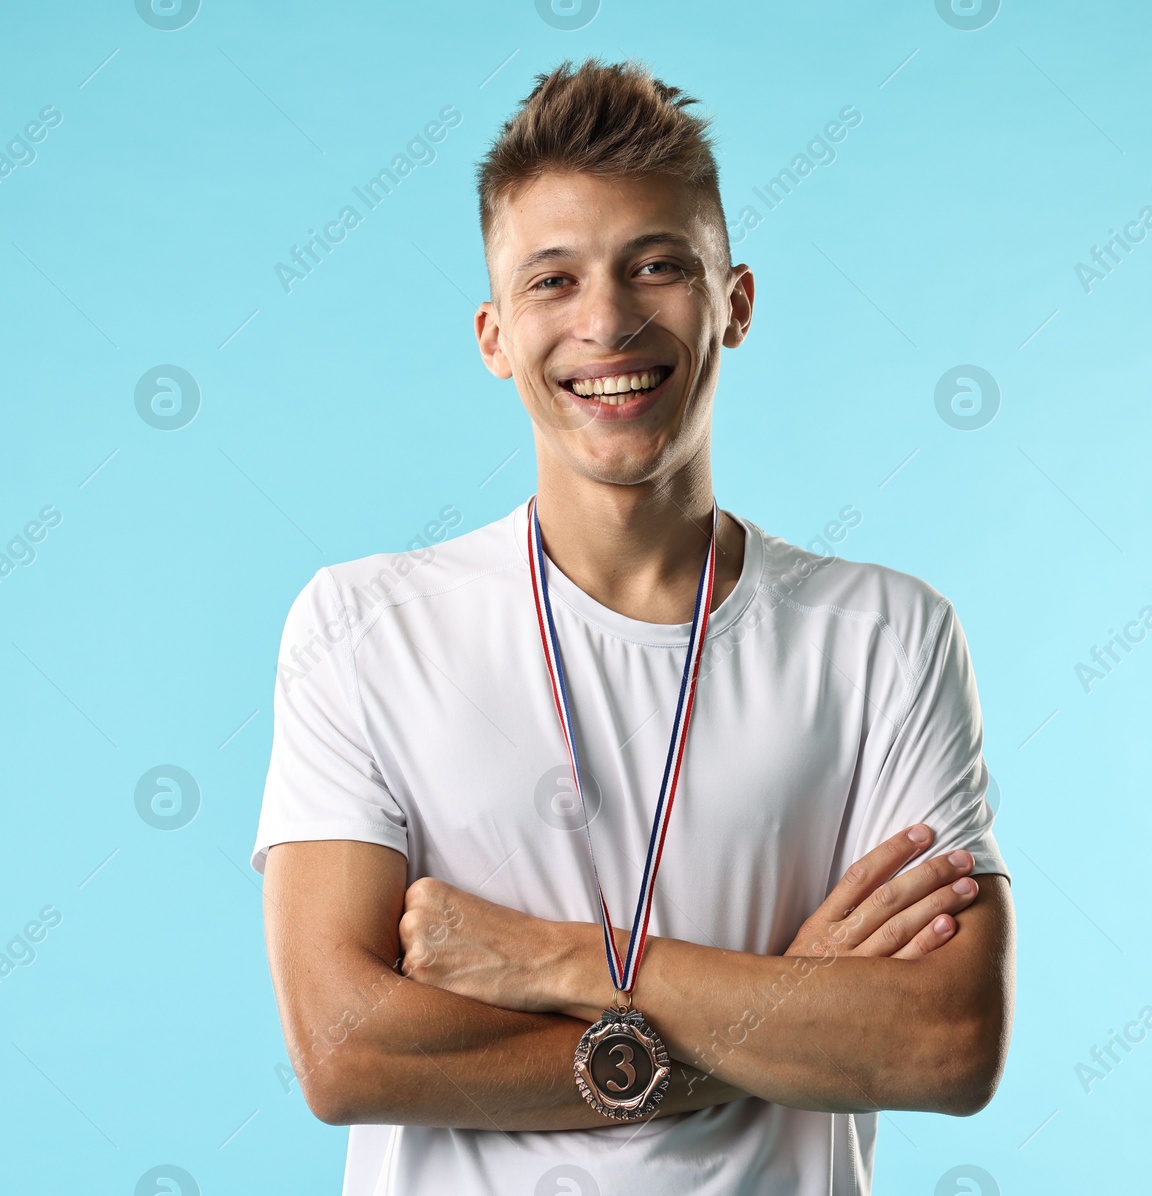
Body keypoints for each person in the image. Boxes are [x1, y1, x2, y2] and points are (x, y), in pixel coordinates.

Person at [251, 57, 1013, 1195]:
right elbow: (340, 1049)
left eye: (655, 265)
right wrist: (778, 1003)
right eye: (551, 281)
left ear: (734, 303)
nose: (605, 321)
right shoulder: (363, 626)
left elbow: (946, 1045)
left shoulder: (885, 635)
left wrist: (555, 959)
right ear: (493, 333)